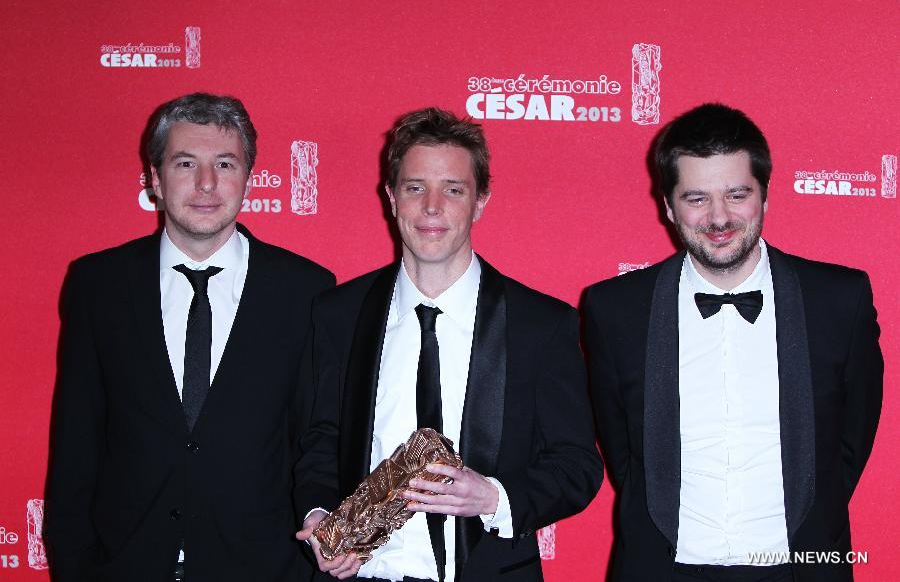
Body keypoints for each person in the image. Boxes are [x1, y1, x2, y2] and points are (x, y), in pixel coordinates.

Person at [294, 107, 602, 582]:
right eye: (416, 188)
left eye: (453, 190)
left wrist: (495, 498)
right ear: (392, 197)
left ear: (480, 202)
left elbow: (578, 466)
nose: (432, 207)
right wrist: (319, 517)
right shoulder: (338, 314)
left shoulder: (540, 325)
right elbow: (319, 441)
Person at [584, 103, 883, 582]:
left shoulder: (838, 300)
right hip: (661, 568)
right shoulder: (615, 310)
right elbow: (624, 454)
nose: (718, 217)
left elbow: (850, 441)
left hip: (800, 567)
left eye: (737, 194)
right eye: (696, 198)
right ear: (667, 205)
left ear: (765, 195)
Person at [45, 92, 335, 582]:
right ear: (155, 179)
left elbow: (316, 440)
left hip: (264, 569)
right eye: (185, 163)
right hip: (126, 567)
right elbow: (75, 446)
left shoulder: (306, 291)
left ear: (247, 177)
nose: (206, 184)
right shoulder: (99, 285)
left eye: (225, 163)